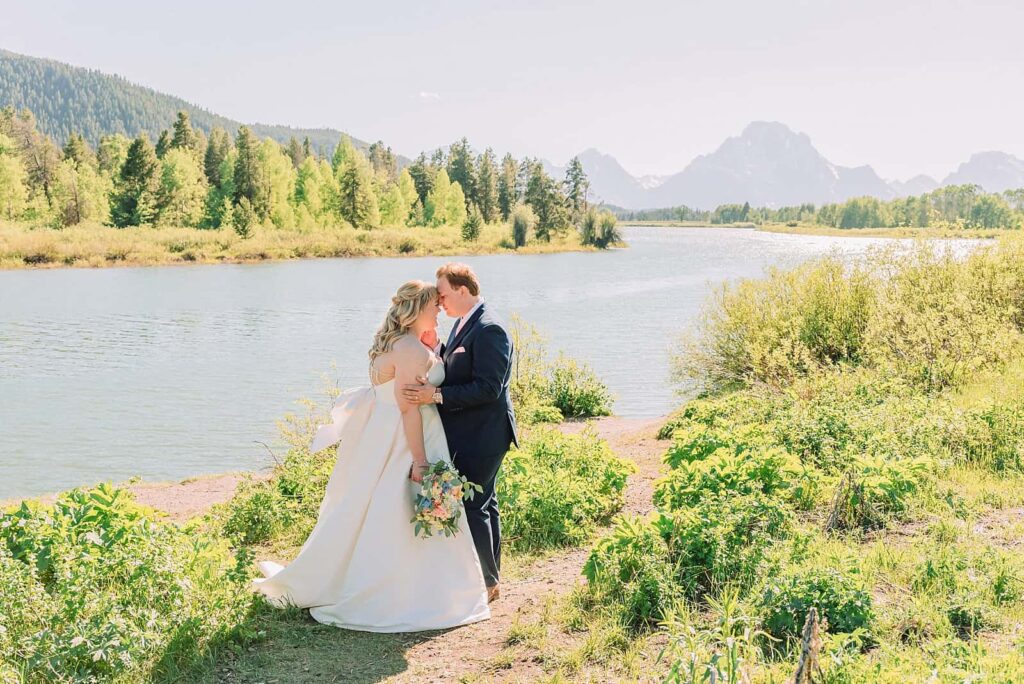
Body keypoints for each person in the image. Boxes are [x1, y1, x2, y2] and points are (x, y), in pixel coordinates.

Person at [254, 280, 490, 632]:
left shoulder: (395, 343)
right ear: (415, 311)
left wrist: (432, 349)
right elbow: (410, 410)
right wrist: (421, 461)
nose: (438, 309)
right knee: (398, 509)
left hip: (381, 435)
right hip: (405, 438)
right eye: (432, 307)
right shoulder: (410, 349)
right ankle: (404, 593)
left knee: (371, 508)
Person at [403, 263, 518, 603]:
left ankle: (485, 584)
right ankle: (491, 578)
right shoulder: (462, 326)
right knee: (486, 503)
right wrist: (437, 350)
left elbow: (488, 388)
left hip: (484, 434)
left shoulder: (490, 329)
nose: (439, 302)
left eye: (443, 294)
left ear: (463, 290)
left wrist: (435, 396)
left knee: (473, 506)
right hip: (472, 432)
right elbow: (459, 370)